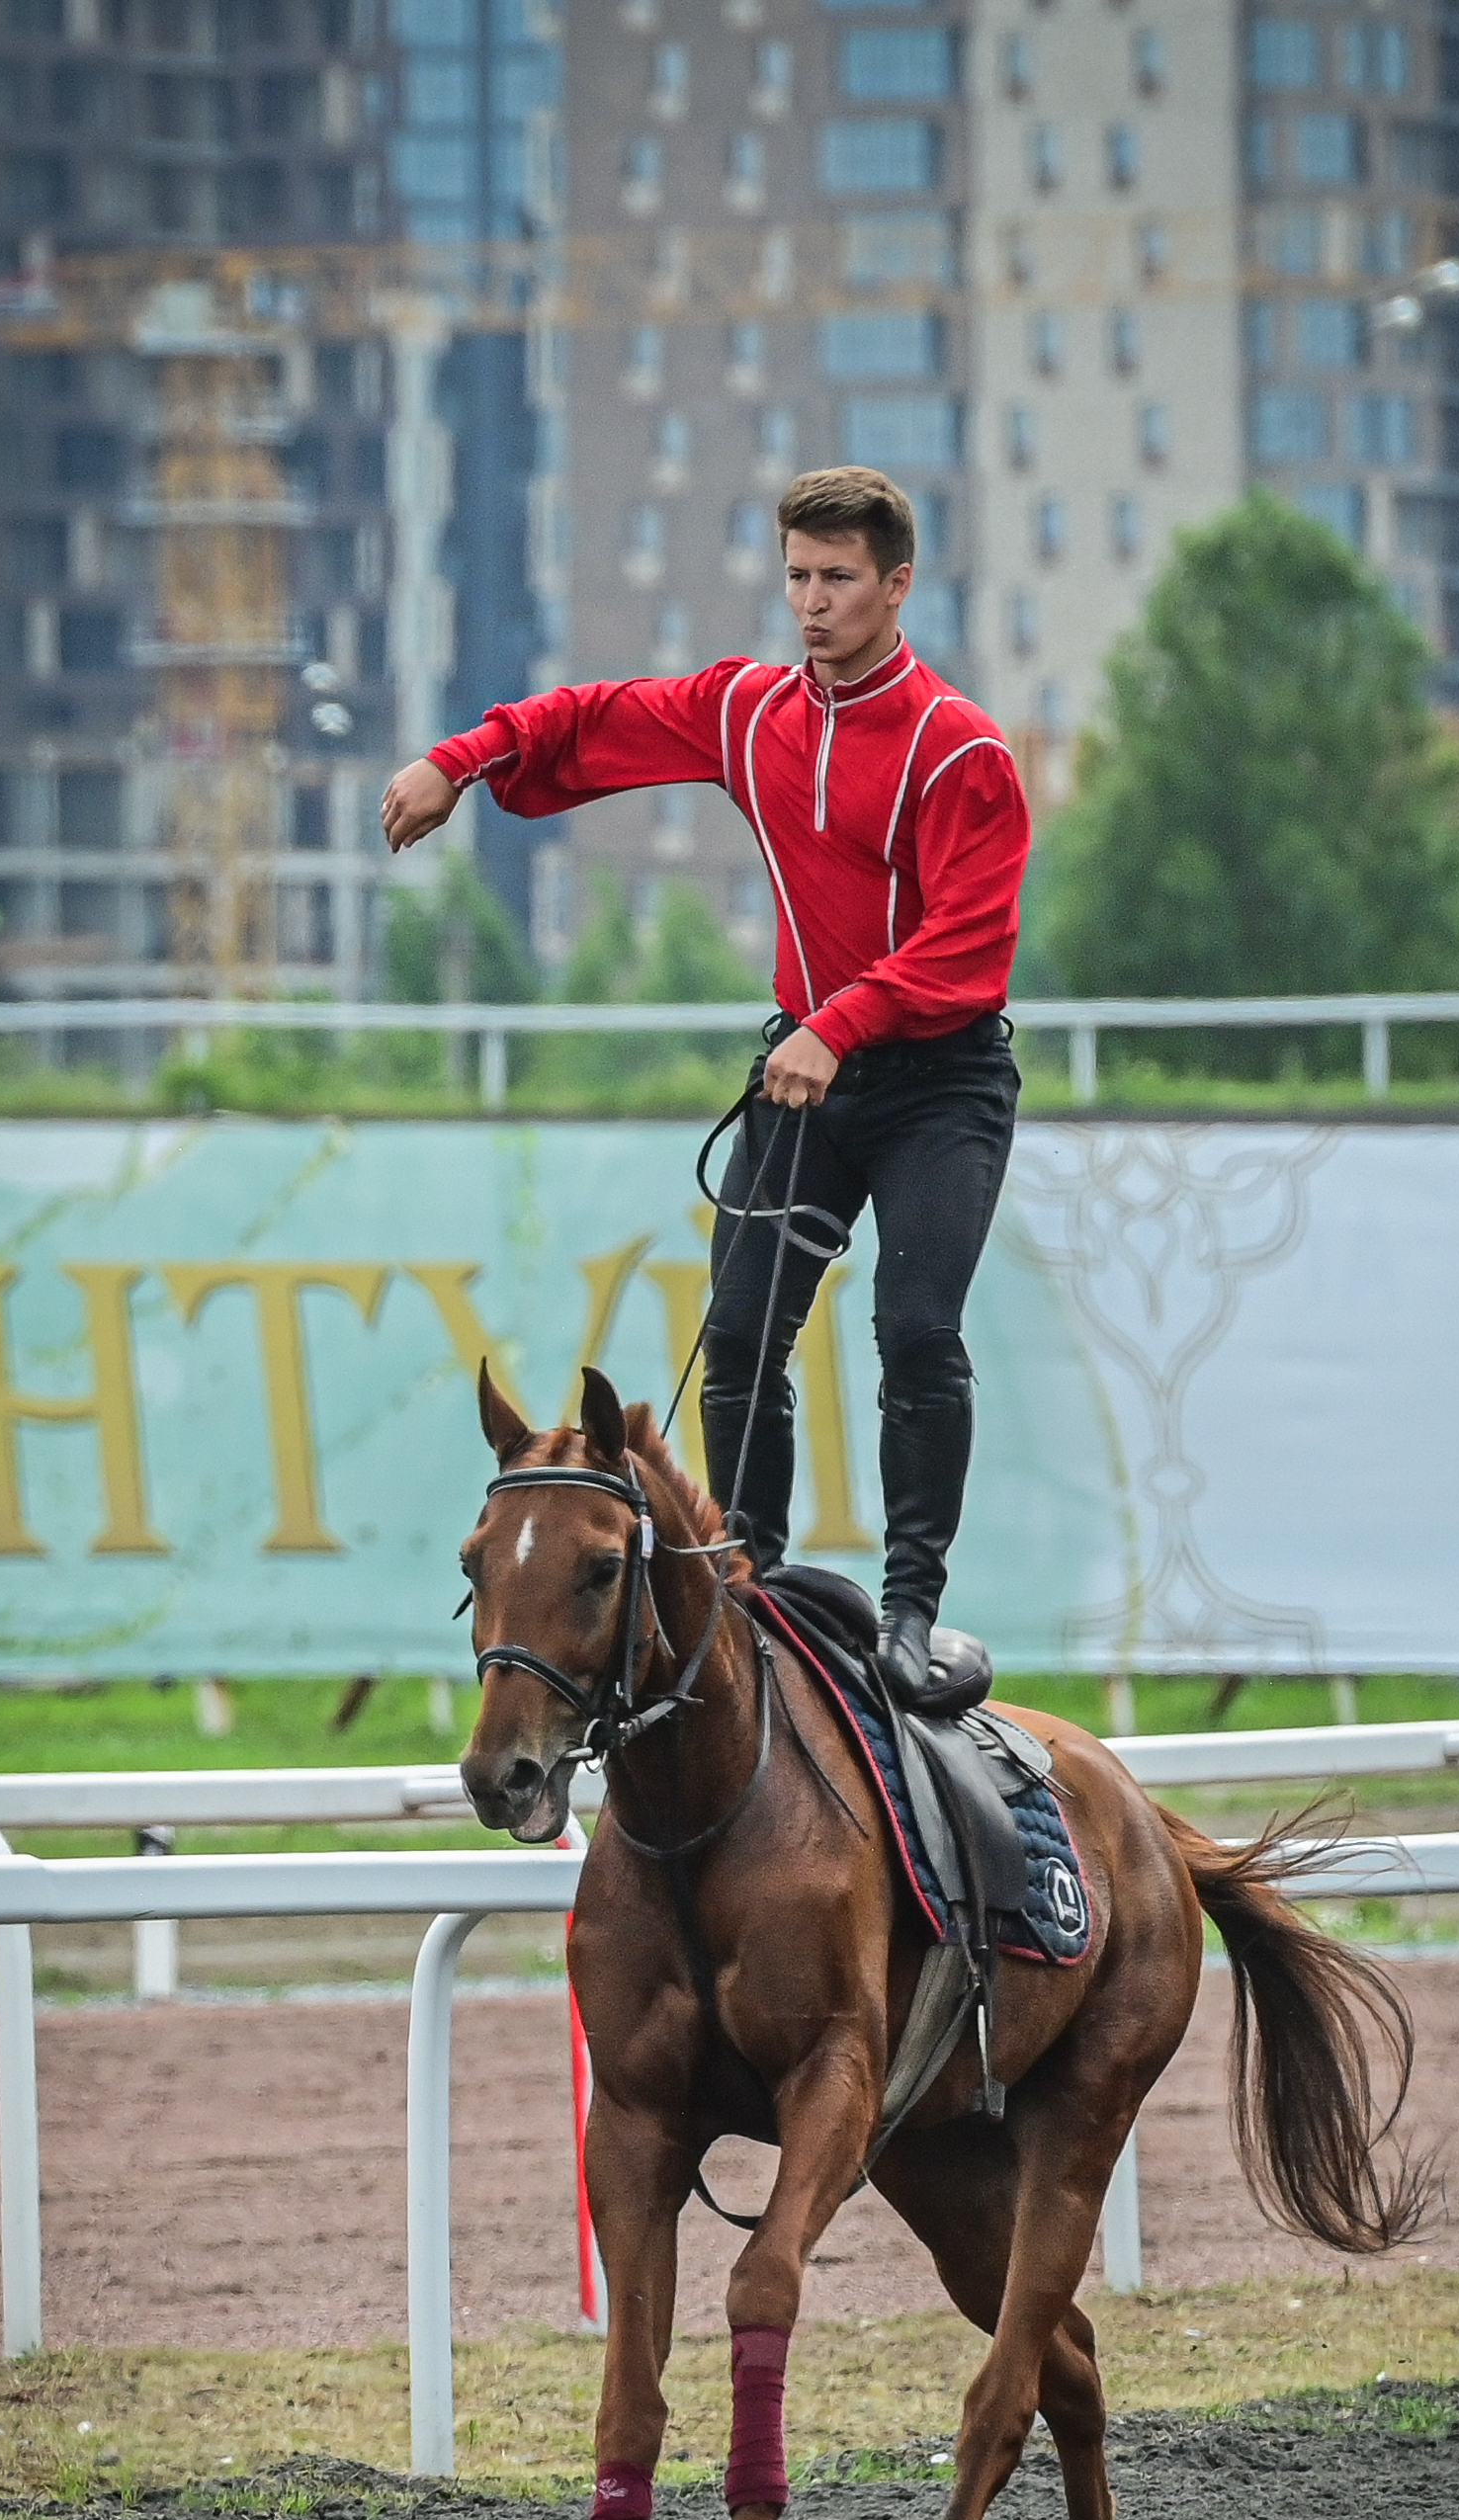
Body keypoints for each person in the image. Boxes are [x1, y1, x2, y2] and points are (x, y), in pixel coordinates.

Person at [381, 464, 1030, 1701]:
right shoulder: (748, 710)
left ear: (898, 585)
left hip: (939, 1083)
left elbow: (969, 942)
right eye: (796, 575)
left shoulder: (961, 751)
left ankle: (907, 1613)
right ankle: (754, 1583)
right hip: (805, 1074)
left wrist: (837, 1023)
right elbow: (590, 714)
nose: (812, 601)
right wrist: (455, 761)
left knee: (917, 1332)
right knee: (734, 1335)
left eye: (838, 578)